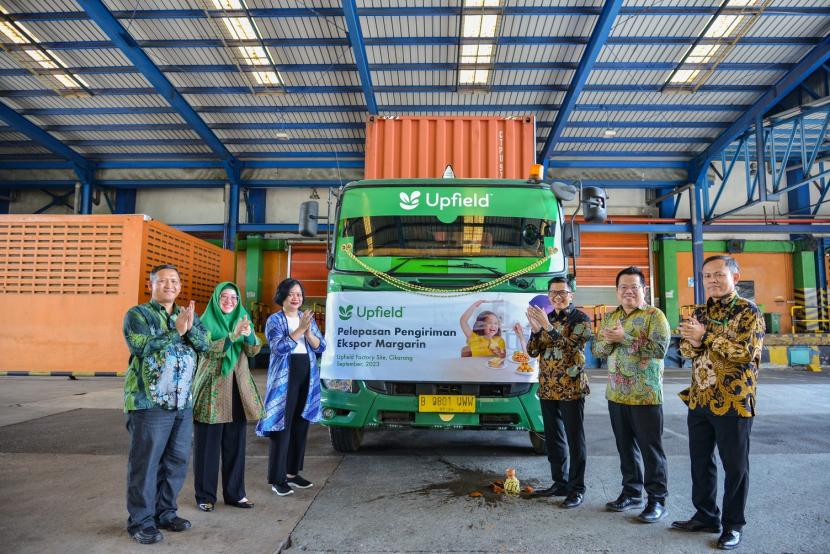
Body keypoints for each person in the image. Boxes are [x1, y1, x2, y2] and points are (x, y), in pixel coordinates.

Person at [674, 255, 765, 551]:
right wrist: (695, 341)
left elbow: (744, 353)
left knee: (735, 467)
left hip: (734, 401)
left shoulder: (749, 312)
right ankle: (705, 515)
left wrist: (706, 337)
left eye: (718, 275)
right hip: (700, 398)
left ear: (735, 278)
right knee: (701, 462)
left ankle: (733, 525)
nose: (712, 280)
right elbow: (685, 349)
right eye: (707, 276)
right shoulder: (699, 312)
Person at [122, 264, 210, 545]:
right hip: (149, 403)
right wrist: (176, 331)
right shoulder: (138, 314)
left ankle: (165, 513)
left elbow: (205, 344)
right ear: (152, 285)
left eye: (174, 281)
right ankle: (140, 521)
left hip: (182, 402)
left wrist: (188, 326)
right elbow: (139, 346)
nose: (170, 285)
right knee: (145, 464)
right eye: (163, 281)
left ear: (180, 286)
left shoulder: (187, 314)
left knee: (176, 461)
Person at [593, 266, 671, 524]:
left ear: (643, 290)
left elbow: (660, 349)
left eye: (634, 287)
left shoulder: (654, 315)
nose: (628, 291)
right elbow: (598, 349)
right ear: (617, 291)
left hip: (645, 395)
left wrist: (624, 337)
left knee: (651, 450)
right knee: (625, 449)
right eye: (623, 287)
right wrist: (611, 340)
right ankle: (631, 492)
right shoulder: (611, 316)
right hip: (616, 394)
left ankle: (657, 500)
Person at [192, 282, 264, 513]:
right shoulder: (204, 323)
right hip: (211, 391)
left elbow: (253, 351)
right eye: (224, 296)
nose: (229, 301)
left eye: (234, 297)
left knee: (235, 446)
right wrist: (232, 336)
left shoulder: (242, 318)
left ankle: (236, 494)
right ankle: (205, 496)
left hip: (238, 390)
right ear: (216, 299)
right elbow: (205, 349)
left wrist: (250, 335)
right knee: (207, 448)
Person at [525, 276, 593, 509]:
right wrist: (535, 331)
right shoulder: (548, 318)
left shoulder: (581, 319)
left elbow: (571, 348)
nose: (557, 297)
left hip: (571, 388)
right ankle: (559, 482)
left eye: (562, 292)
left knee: (575, 440)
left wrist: (547, 327)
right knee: (554, 439)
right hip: (548, 387)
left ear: (571, 294)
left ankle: (577, 488)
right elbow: (533, 352)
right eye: (553, 293)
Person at [256, 278, 326, 496]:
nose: (297, 298)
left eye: (299, 294)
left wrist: (308, 331)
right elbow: (279, 347)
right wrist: (300, 330)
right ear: (282, 297)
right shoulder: (274, 320)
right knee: (281, 425)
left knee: (300, 424)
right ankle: (277, 478)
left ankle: (292, 473)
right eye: (292, 294)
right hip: (285, 378)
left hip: (307, 373)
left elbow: (321, 346)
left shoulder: (306, 318)